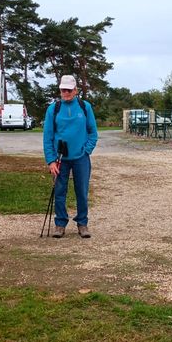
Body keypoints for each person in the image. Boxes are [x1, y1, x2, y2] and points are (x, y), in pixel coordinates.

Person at [43, 74, 99, 239]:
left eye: (68, 90)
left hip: (81, 158)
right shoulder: (53, 109)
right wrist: (51, 161)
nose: (65, 93)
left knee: (82, 191)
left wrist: (87, 150)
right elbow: (48, 137)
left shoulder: (85, 107)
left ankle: (82, 223)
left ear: (75, 90)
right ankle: (60, 224)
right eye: (63, 90)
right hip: (60, 158)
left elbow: (93, 132)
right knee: (60, 191)